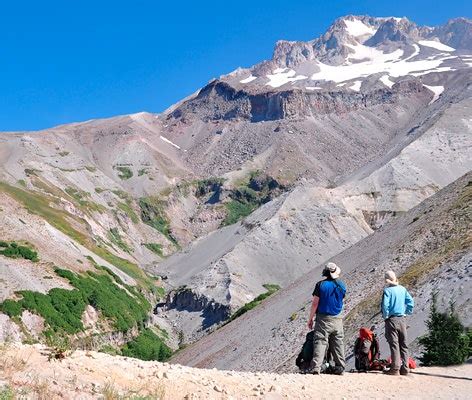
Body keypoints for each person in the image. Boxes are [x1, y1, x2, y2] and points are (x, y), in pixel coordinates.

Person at [306, 262, 347, 375]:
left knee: (320, 341)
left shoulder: (320, 285)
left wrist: (310, 319)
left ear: (325, 272)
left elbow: (315, 303)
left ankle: (316, 368)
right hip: (337, 318)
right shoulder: (341, 285)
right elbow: (342, 301)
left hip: (323, 318)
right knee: (338, 342)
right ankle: (340, 367)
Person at [381, 270, 414, 376]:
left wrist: (386, 316)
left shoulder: (387, 291)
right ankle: (405, 368)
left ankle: (395, 368)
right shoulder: (402, 289)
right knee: (404, 344)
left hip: (392, 319)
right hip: (402, 319)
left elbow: (385, 306)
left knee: (394, 344)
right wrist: (407, 312)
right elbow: (410, 302)